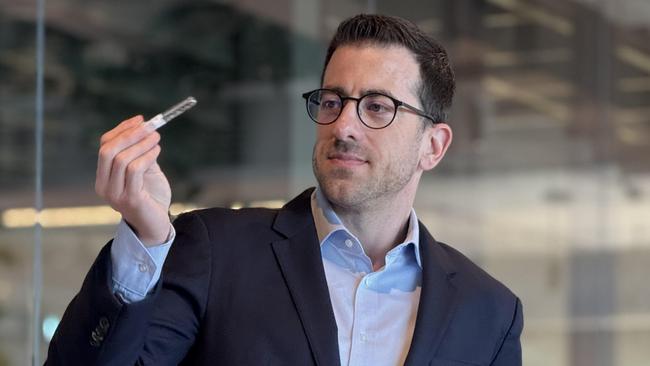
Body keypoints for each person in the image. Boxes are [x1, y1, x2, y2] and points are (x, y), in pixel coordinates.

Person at [46, 14, 522, 366]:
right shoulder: (217, 252)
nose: (345, 125)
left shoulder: (489, 311)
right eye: (333, 100)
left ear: (433, 146)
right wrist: (146, 240)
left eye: (377, 107)